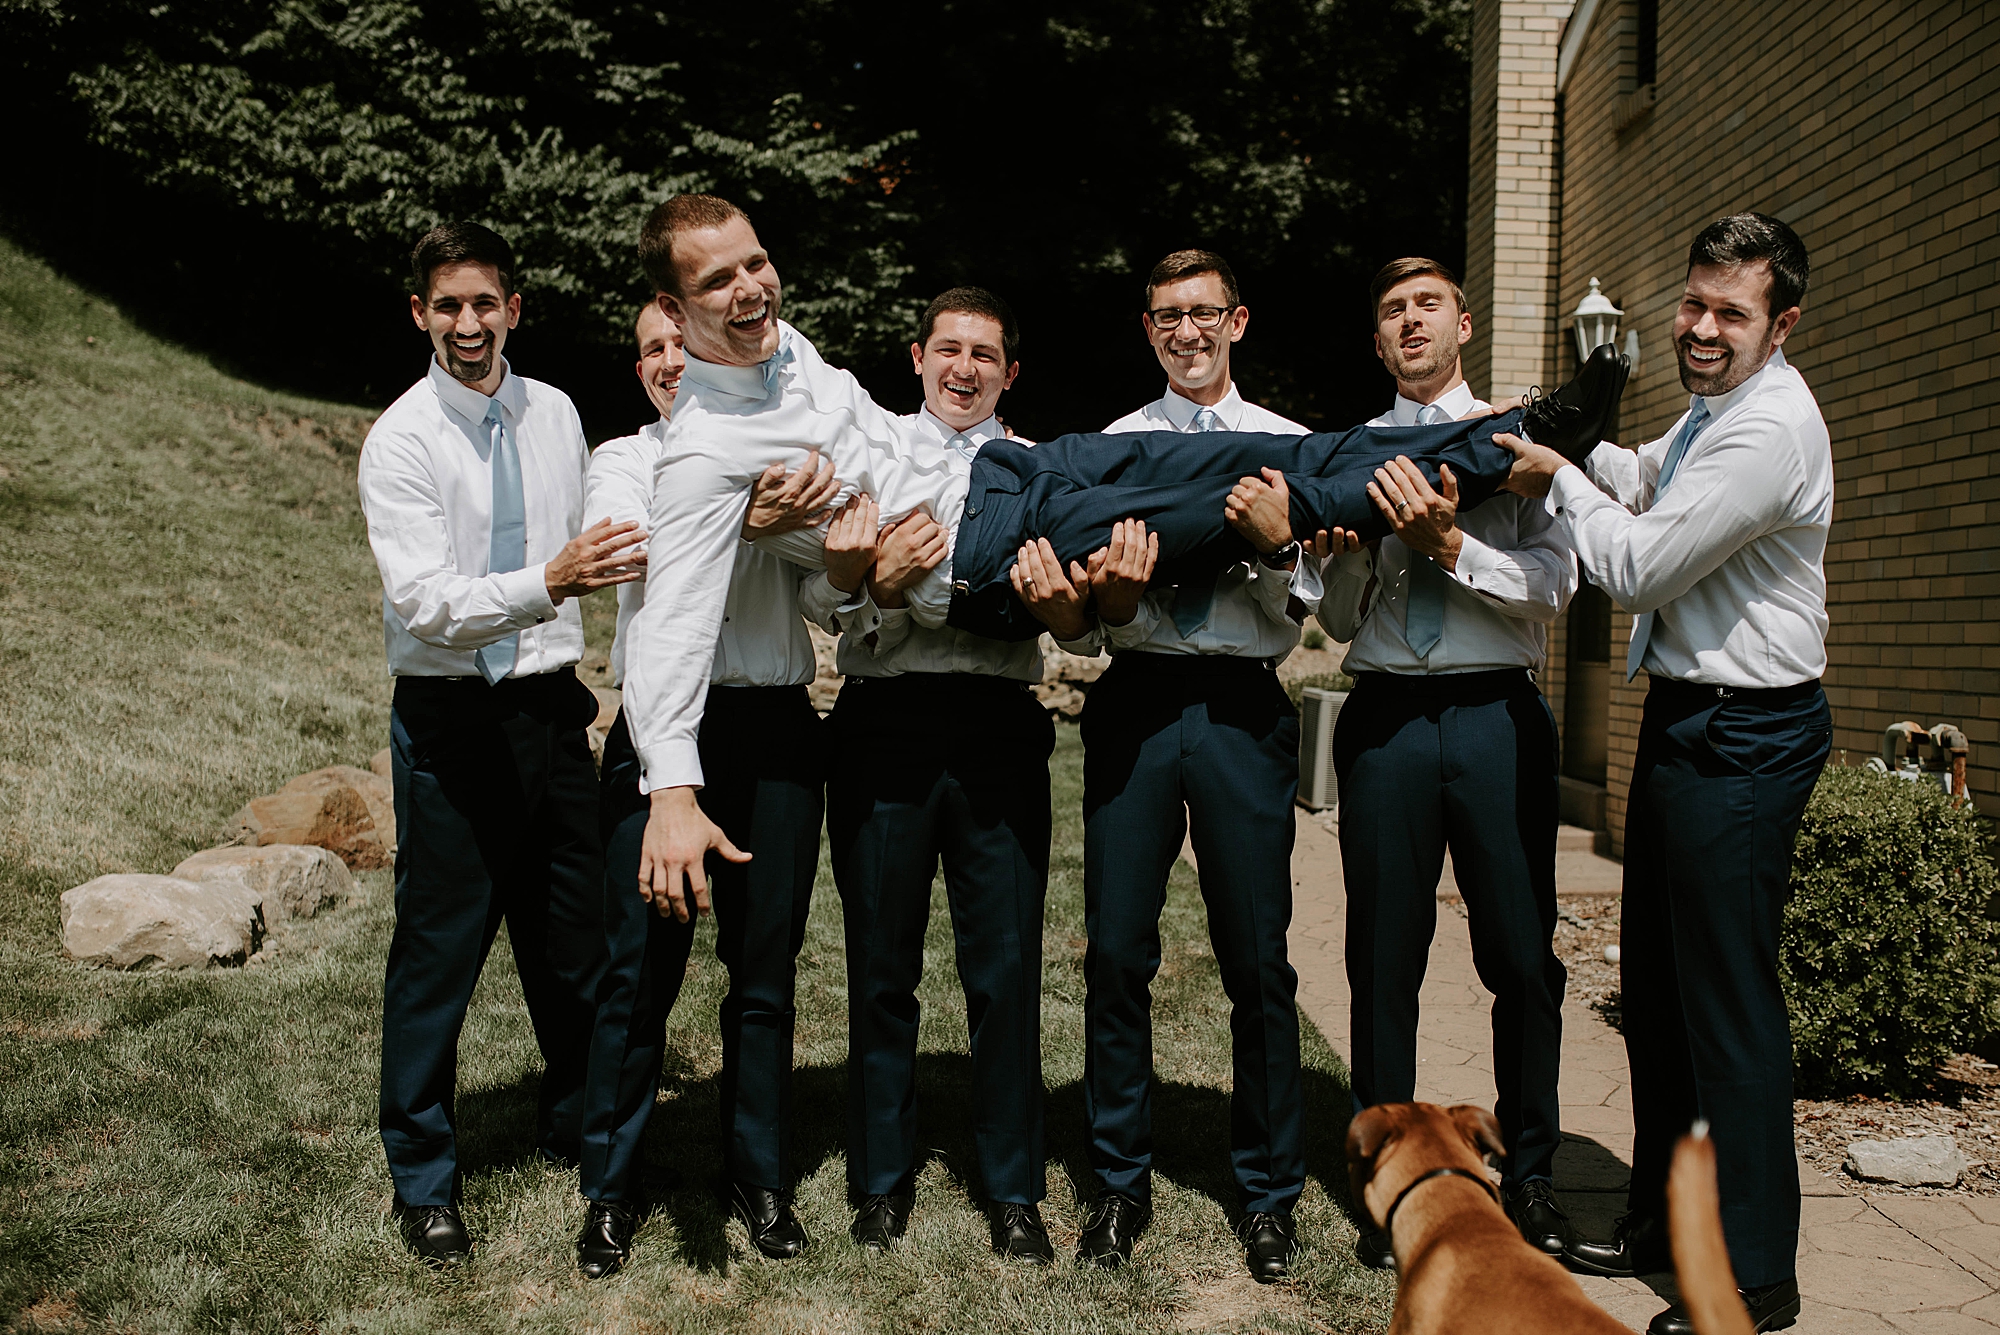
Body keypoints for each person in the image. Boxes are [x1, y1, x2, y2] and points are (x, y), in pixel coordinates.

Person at [623, 193, 1626, 935]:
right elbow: (671, 619)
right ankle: (1516, 450)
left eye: (756, 263)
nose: (750, 289)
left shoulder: (782, 348)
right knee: (1261, 497)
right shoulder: (703, 452)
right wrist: (671, 791)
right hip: (982, 558)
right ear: (674, 304)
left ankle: (1514, 424)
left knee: (1271, 450)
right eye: (718, 282)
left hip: (1012, 474)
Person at [1498, 213, 1830, 1335]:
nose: (1701, 327)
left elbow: (1636, 565)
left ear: (1781, 325)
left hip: (1747, 738)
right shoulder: (1714, 409)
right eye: (1693, 302)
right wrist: (1558, 434)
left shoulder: (1769, 430)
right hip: (1688, 722)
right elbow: (1643, 475)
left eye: (1731, 312)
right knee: (1657, 995)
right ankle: (1663, 1219)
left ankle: (1753, 1277)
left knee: (1726, 1006)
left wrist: (1554, 477)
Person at [1011, 247, 1317, 1281]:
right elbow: (1092, 628)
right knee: (1115, 951)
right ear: (1148, 330)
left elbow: (1311, 600)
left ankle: (1268, 1192)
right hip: (1136, 701)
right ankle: (1116, 1180)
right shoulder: (1109, 449)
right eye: (1166, 317)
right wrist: (1109, 592)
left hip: (1240, 704)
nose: (1186, 332)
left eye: (1203, 313)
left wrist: (1279, 546)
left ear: (1237, 321)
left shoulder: (1284, 444)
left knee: (1256, 956)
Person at [359, 221, 645, 1265]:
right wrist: (549, 581)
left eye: (485, 303)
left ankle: (575, 1123)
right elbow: (428, 603)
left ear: (513, 308)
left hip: (550, 712)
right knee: (438, 955)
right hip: (453, 721)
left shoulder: (556, 412)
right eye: (448, 305)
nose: (468, 323)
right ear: (419, 314)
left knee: (575, 944)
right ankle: (423, 1177)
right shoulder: (400, 439)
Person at [575, 300, 862, 1271]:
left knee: (765, 971)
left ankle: (758, 1175)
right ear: (640, 367)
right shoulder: (625, 459)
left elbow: (824, 590)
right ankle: (611, 1187)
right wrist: (751, 519)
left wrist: (824, 552)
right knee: (636, 973)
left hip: (775, 729)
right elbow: (629, 545)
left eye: (682, 343)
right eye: (651, 347)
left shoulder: (782, 450)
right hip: (662, 731)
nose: (669, 360)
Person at [1315, 258, 1577, 1271]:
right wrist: (1349, 551)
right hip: (1383, 717)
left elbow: (1554, 588)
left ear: (1462, 324)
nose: (1410, 321)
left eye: (1427, 304)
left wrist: (1448, 543)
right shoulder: (1351, 456)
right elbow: (1339, 621)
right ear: (1377, 340)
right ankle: (1388, 1179)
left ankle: (1533, 1173)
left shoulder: (1515, 441)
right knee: (1383, 958)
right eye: (1392, 311)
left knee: (1520, 957)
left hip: (1492, 716)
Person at [822, 288, 1056, 1262]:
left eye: (984, 354)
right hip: (887, 720)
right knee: (882, 963)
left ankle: (1012, 1188)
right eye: (948, 349)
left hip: (1000, 724)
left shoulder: (1040, 470)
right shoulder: (869, 457)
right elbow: (828, 602)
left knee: (1005, 966)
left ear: (1010, 372)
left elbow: (1064, 600)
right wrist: (876, 591)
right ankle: (881, 1177)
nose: (964, 368)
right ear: (916, 357)